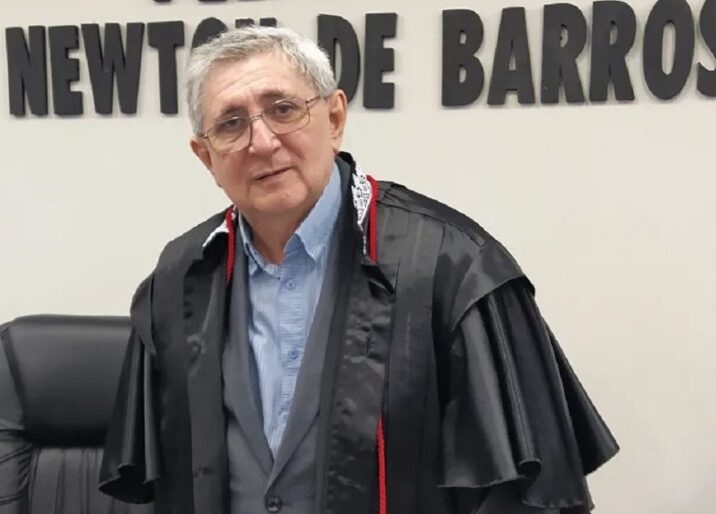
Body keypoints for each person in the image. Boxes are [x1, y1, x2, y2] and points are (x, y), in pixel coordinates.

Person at [99, 25, 618, 514]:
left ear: (334, 119)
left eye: (283, 109)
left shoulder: (453, 266)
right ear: (206, 157)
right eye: (231, 124)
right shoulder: (179, 278)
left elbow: (525, 498)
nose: (262, 141)